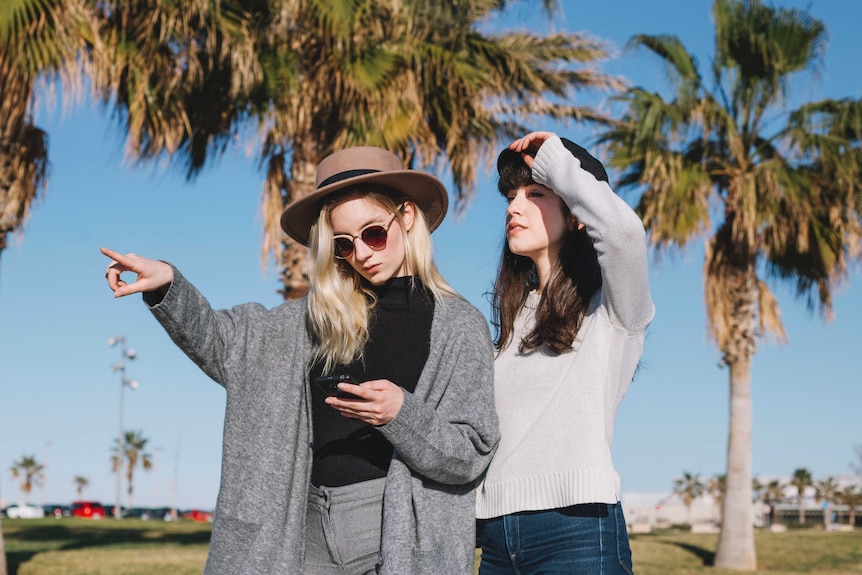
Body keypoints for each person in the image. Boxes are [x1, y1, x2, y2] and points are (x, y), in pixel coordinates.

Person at [101, 145, 499, 575]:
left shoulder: (459, 325)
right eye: (344, 245)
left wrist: (401, 414)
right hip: (303, 530)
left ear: (405, 216)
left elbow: (472, 452)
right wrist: (167, 286)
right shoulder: (309, 319)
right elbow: (225, 344)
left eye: (374, 233)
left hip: (396, 527)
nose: (362, 253)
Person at [475, 131, 654, 574]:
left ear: (575, 214)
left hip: (576, 531)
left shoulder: (610, 311)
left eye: (534, 193)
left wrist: (555, 159)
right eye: (510, 196)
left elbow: (625, 234)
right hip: (496, 541)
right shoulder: (511, 323)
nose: (514, 207)